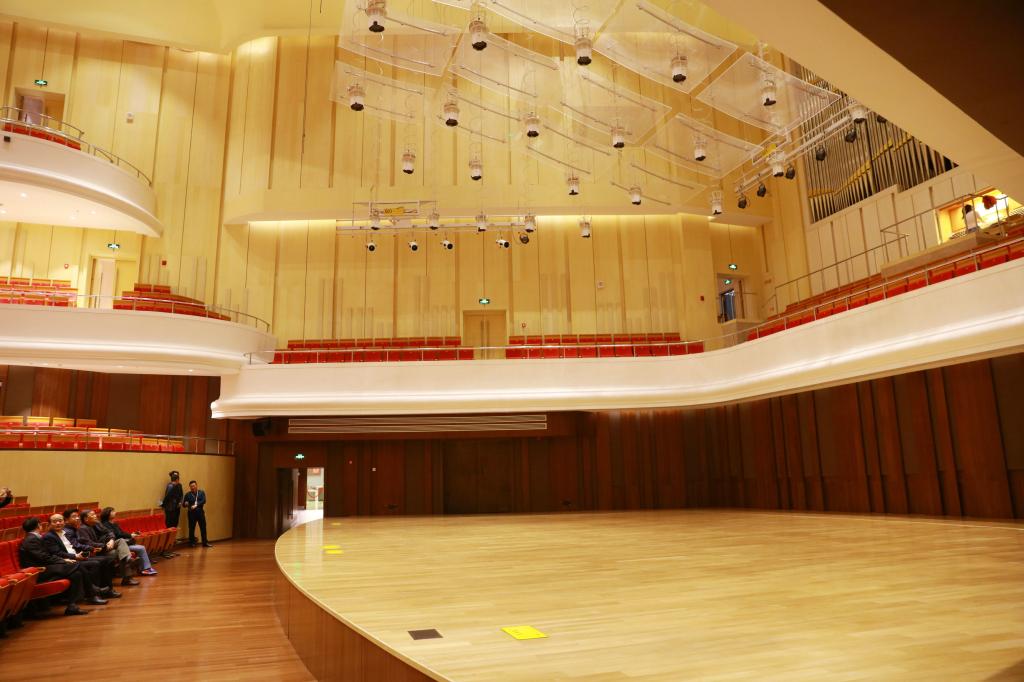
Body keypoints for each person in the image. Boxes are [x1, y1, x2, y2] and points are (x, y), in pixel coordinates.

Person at [18, 516, 90, 615]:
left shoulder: (34, 537)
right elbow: (44, 557)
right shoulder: (31, 539)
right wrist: (63, 560)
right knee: (77, 565)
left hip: (46, 567)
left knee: (76, 574)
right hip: (38, 571)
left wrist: (63, 560)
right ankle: (92, 592)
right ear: (38, 526)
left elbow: (46, 556)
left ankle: (72, 606)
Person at [42, 514, 115, 603]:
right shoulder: (49, 536)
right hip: (65, 561)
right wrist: (75, 556)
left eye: (60, 521)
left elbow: (73, 546)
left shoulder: (64, 533)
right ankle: (93, 595)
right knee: (95, 564)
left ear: (64, 522)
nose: (58, 523)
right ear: (50, 524)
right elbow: (57, 553)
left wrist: (82, 553)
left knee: (105, 560)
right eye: (55, 521)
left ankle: (107, 590)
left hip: (76, 557)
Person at [62, 508, 120, 593]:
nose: (77, 518)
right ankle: (97, 592)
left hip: (82, 554)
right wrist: (92, 548)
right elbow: (75, 545)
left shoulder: (75, 528)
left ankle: (107, 589)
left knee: (107, 559)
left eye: (77, 516)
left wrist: (93, 548)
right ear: (66, 520)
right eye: (74, 516)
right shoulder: (68, 531)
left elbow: (81, 543)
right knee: (100, 561)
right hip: (75, 557)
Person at [76, 508, 139, 586]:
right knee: (122, 554)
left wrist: (111, 540)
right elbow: (89, 543)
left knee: (121, 541)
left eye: (95, 514)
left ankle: (128, 559)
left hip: (106, 546)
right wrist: (105, 545)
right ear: (86, 519)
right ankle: (127, 573)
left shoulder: (97, 523)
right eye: (92, 515)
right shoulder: (82, 529)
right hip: (98, 551)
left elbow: (109, 532)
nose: (95, 516)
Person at [99, 507, 157, 576]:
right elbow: (116, 535)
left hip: (122, 542)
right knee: (141, 548)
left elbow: (122, 533)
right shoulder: (105, 525)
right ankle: (145, 568)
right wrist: (130, 535)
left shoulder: (114, 524)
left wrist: (131, 534)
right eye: (113, 511)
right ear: (107, 514)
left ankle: (144, 568)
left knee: (141, 547)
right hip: (116, 544)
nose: (115, 513)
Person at [160, 471, 184, 558]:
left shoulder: (179, 485)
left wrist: (180, 502)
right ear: (177, 479)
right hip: (170, 510)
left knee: (174, 527)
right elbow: (167, 497)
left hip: (176, 509)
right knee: (169, 528)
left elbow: (181, 495)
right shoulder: (170, 486)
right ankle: (165, 550)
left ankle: (170, 548)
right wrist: (163, 505)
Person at [183, 480, 211, 548]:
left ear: (196, 485)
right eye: (191, 486)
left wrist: (196, 505)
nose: (192, 487)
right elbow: (184, 505)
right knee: (191, 528)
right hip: (191, 514)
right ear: (190, 487)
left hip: (200, 513)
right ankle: (192, 543)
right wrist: (185, 504)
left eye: (194, 486)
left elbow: (204, 500)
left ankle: (205, 542)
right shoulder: (187, 494)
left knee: (203, 528)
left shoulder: (201, 492)